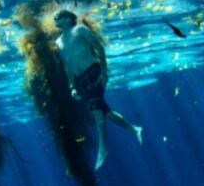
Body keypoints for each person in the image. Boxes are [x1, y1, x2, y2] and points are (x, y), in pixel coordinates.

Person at [53, 9, 142, 170]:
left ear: (68, 18)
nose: (56, 19)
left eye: (59, 16)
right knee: (104, 110)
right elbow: (67, 65)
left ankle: (103, 148)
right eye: (55, 17)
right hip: (80, 80)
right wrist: (72, 86)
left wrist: (104, 72)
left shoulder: (80, 29)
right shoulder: (58, 42)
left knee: (96, 109)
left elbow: (99, 48)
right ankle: (134, 129)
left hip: (93, 71)